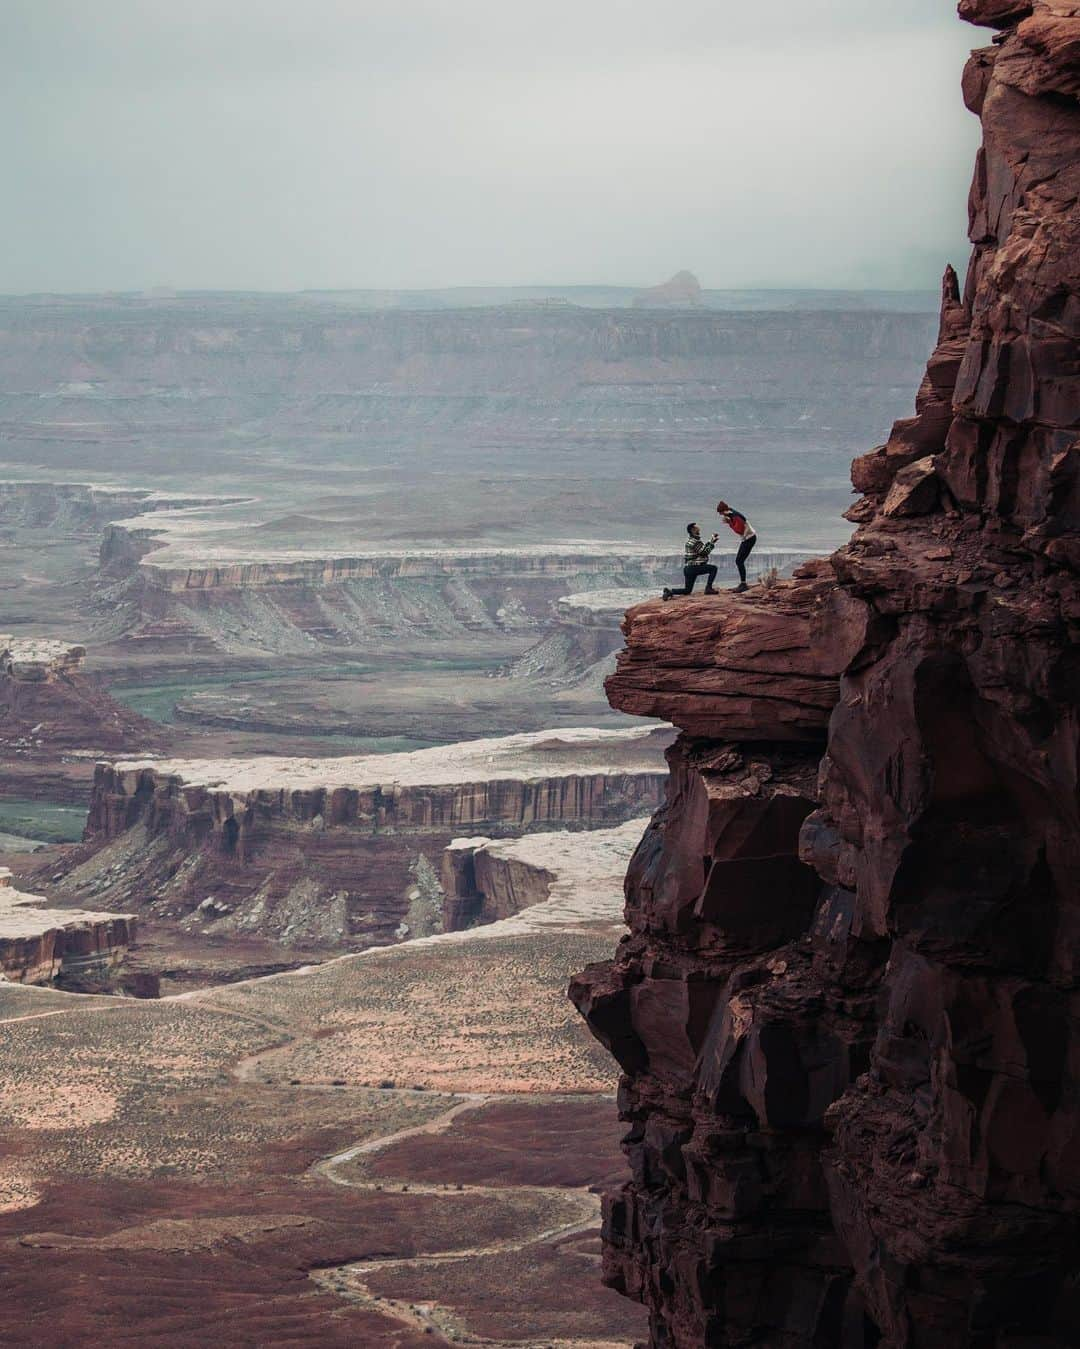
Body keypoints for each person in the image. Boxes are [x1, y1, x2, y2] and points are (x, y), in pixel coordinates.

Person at [662, 523, 719, 600]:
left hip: (688, 568)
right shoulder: (694, 541)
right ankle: (708, 588)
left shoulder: (692, 540)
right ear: (693, 530)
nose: (699, 528)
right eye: (696, 528)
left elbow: (702, 549)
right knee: (713, 568)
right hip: (695, 567)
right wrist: (712, 543)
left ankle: (670, 592)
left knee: (687, 590)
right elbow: (704, 552)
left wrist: (711, 541)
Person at [716, 500, 757, 592]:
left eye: (721, 513)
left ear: (724, 511)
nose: (722, 515)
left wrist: (729, 523)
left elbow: (739, 530)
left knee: (739, 561)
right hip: (748, 538)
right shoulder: (732, 514)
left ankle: (743, 584)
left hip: (749, 539)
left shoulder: (735, 516)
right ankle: (743, 583)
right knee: (739, 560)